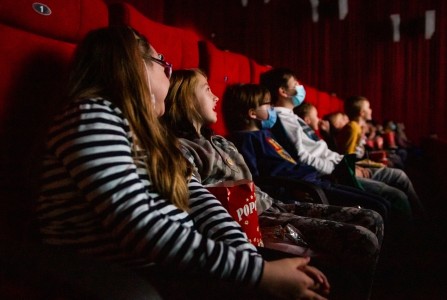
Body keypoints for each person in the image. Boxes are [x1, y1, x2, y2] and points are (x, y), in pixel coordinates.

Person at [35, 26, 332, 300]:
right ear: (136, 65)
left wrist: (250, 259)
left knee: (311, 279)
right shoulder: (93, 117)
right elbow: (139, 226)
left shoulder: (154, 135)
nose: (169, 72)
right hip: (127, 276)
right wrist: (258, 274)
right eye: (162, 63)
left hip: (176, 262)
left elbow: (200, 200)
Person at [161, 70, 384, 299]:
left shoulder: (221, 141)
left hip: (273, 203)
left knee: (372, 218)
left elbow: (252, 181)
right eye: (207, 90)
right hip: (256, 220)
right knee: (363, 240)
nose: (216, 97)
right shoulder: (180, 149)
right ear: (186, 98)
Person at [259, 67, 422, 224]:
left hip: (340, 165)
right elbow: (302, 157)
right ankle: (414, 237)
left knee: (398, 176)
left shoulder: (293, 117)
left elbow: (321, 149)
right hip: (332, 174)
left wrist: (346, 162)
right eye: (295, 84)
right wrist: (342, 169)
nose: (300, 88)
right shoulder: (281, 119)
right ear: (283, 91)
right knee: (395, 195)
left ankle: (421, 221)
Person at [337, 96, 424, 215]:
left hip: (356, 168)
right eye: (368, 107)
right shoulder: (353, 127)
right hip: (352, 174)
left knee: (399, 172)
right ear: (362, 113)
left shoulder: (357, 127)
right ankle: (420, 216)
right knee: (398, 178)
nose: (371, 110)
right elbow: (346, 157)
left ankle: (418, 213)